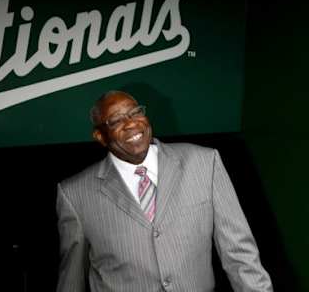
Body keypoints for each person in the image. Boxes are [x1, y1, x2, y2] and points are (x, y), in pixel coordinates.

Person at [56, 91, 273, 291]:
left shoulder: (204, 163)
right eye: (116, 120)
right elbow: (71, 281)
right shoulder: (74, 194)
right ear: (100, 136)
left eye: (135, 112)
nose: (131, 123)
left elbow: (240, 254)